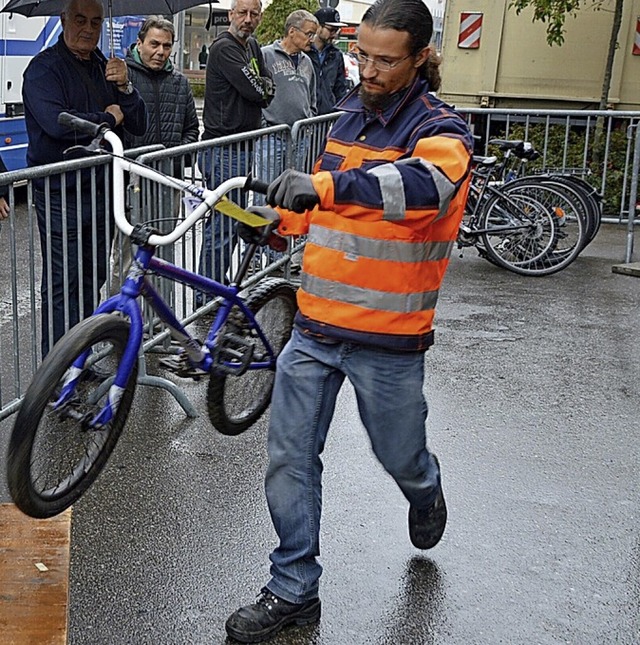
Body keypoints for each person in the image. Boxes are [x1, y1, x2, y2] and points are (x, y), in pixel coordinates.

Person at [224, 0, 473, 641]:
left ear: (421, 58)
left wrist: (325, 190)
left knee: (399, 455)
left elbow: (418, 190)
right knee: (289, 459)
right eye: (361, 54)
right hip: (313, 329)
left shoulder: (442, 130)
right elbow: (324, 205)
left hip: (387, 341)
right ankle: (293, 588)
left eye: (385, 59)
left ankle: (424, 488)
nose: (367, 69)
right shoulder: (351, 119)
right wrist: (281, 222)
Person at [23, 0, 147, 357]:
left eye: (96, 21)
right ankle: (58, 369)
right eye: (80, 19)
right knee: (64, 283)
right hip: (62, 194)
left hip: (102, 190)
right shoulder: (43, 69)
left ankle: (79, 359)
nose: (89, 28)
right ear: (63, 20)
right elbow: (56, 122)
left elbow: (138, 124)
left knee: (92, 279)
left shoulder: (106, 66)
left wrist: (126, 89)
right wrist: (108, 118)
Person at [109, 15, 199, 292]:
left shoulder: (179, 82)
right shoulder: (122, 77)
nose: (160, 52)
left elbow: (191, 131)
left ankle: (159, 325)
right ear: (140, 43)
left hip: (167, 180)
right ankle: (120, 320)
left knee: (163, 253)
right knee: (128, 255)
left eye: (167, 46)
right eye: (154, 44)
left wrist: (176, 160)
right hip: (131, 182)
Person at [198, 0, 273, 298]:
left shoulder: (252, 46)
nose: (248, 19)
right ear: (230, 15)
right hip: (224, 149)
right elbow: (255, 89)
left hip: (243, 147)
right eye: (242, 13)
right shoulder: (224, 48)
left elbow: (267, 88)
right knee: (223, 223)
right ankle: (206, 293)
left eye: (254, 14)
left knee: (230, 221)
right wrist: (263, 88)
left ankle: (214, 285)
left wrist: (263, 88)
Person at [256, 9, 318, 198]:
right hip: (272, 136)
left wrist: (310, 122)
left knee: (292, 190)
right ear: (292, 31)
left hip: (299, 137)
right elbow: (254, 91)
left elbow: (312, 97)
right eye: (309, 34)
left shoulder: (307, 62)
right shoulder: (266, 55)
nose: (312, 39)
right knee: (267, 189)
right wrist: (263, 126)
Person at [308, 7, 350, 116]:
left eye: (336, 31)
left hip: (326, 119)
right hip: (305, 118)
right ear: (318, 27)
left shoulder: (336, 55)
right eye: (331, 30)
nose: (334, 34)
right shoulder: (304, 52)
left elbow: (340, 88)